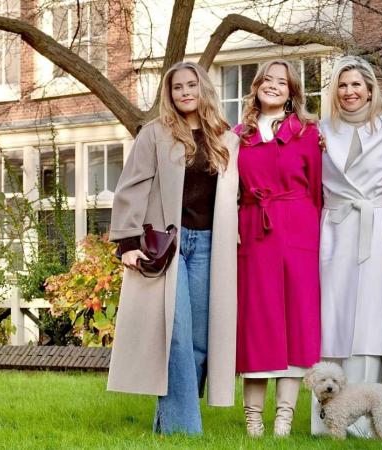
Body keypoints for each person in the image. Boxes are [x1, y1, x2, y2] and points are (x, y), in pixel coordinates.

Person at [106, 61, 240, 435]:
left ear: (203, 89)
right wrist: (129, 243)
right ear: (169, 94)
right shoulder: (154, 134)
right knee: (176, 334)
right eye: (177, 87)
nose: (184, 92)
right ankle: (185, 431)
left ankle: (167, 421)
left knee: (199, 341)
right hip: (169, 246)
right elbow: (130, 186)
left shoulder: (225, 137)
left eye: (190, 85)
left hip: (211, 244)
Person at [312, 55, 382, 438]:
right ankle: (326, 419)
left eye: (356, 85)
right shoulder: (318, 131)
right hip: (334, 228)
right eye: (342, 85)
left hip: (373, 228)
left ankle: (366, 420)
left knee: (368, 319)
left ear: (370, 89)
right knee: (332, 317)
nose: (349, 92)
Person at [234, 59, 322, 437]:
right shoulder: (237, 135)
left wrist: (311, 235)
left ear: (291, 93)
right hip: (255, 230)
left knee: (296, 325)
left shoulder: (308, 133)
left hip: (299, 230)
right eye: (266, 80)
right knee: (257, 324)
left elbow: (318, 191)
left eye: (281, 82)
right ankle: (253, 417)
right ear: (256, 87)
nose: (272, 86)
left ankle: (284, 417)